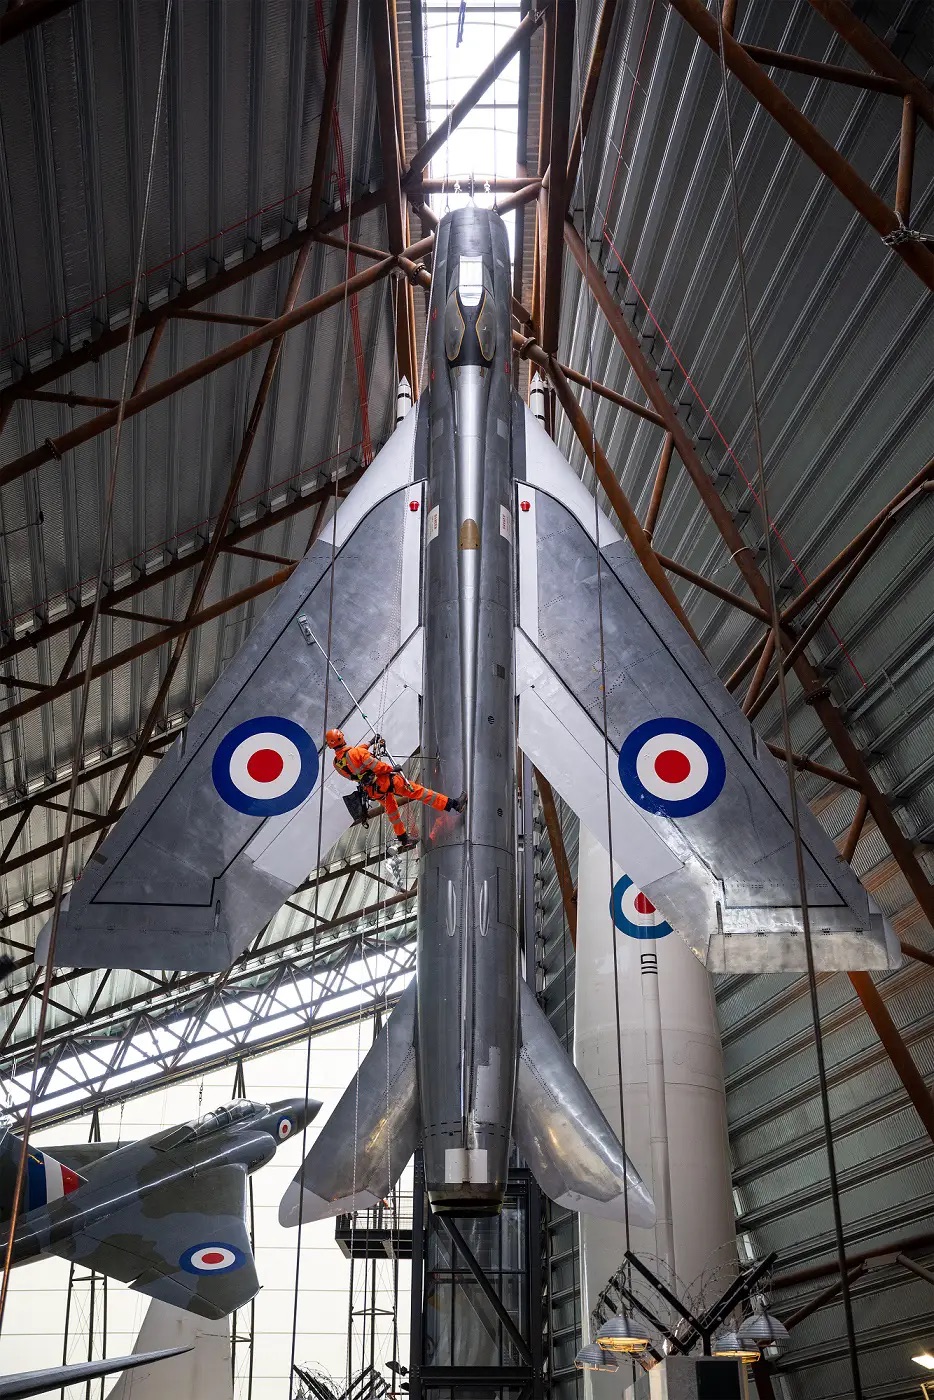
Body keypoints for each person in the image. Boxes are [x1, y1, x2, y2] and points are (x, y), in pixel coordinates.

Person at [325, 729, 466, 852]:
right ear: (341, 738)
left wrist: (370, 742)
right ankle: (454, 804)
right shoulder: (357, 753)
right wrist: (392, 769)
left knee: (392, 811)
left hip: (372, 791)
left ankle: (404, 839)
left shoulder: (337, 764)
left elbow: (353, 756)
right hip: (385, 781)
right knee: (418, 791)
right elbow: (376, 765)